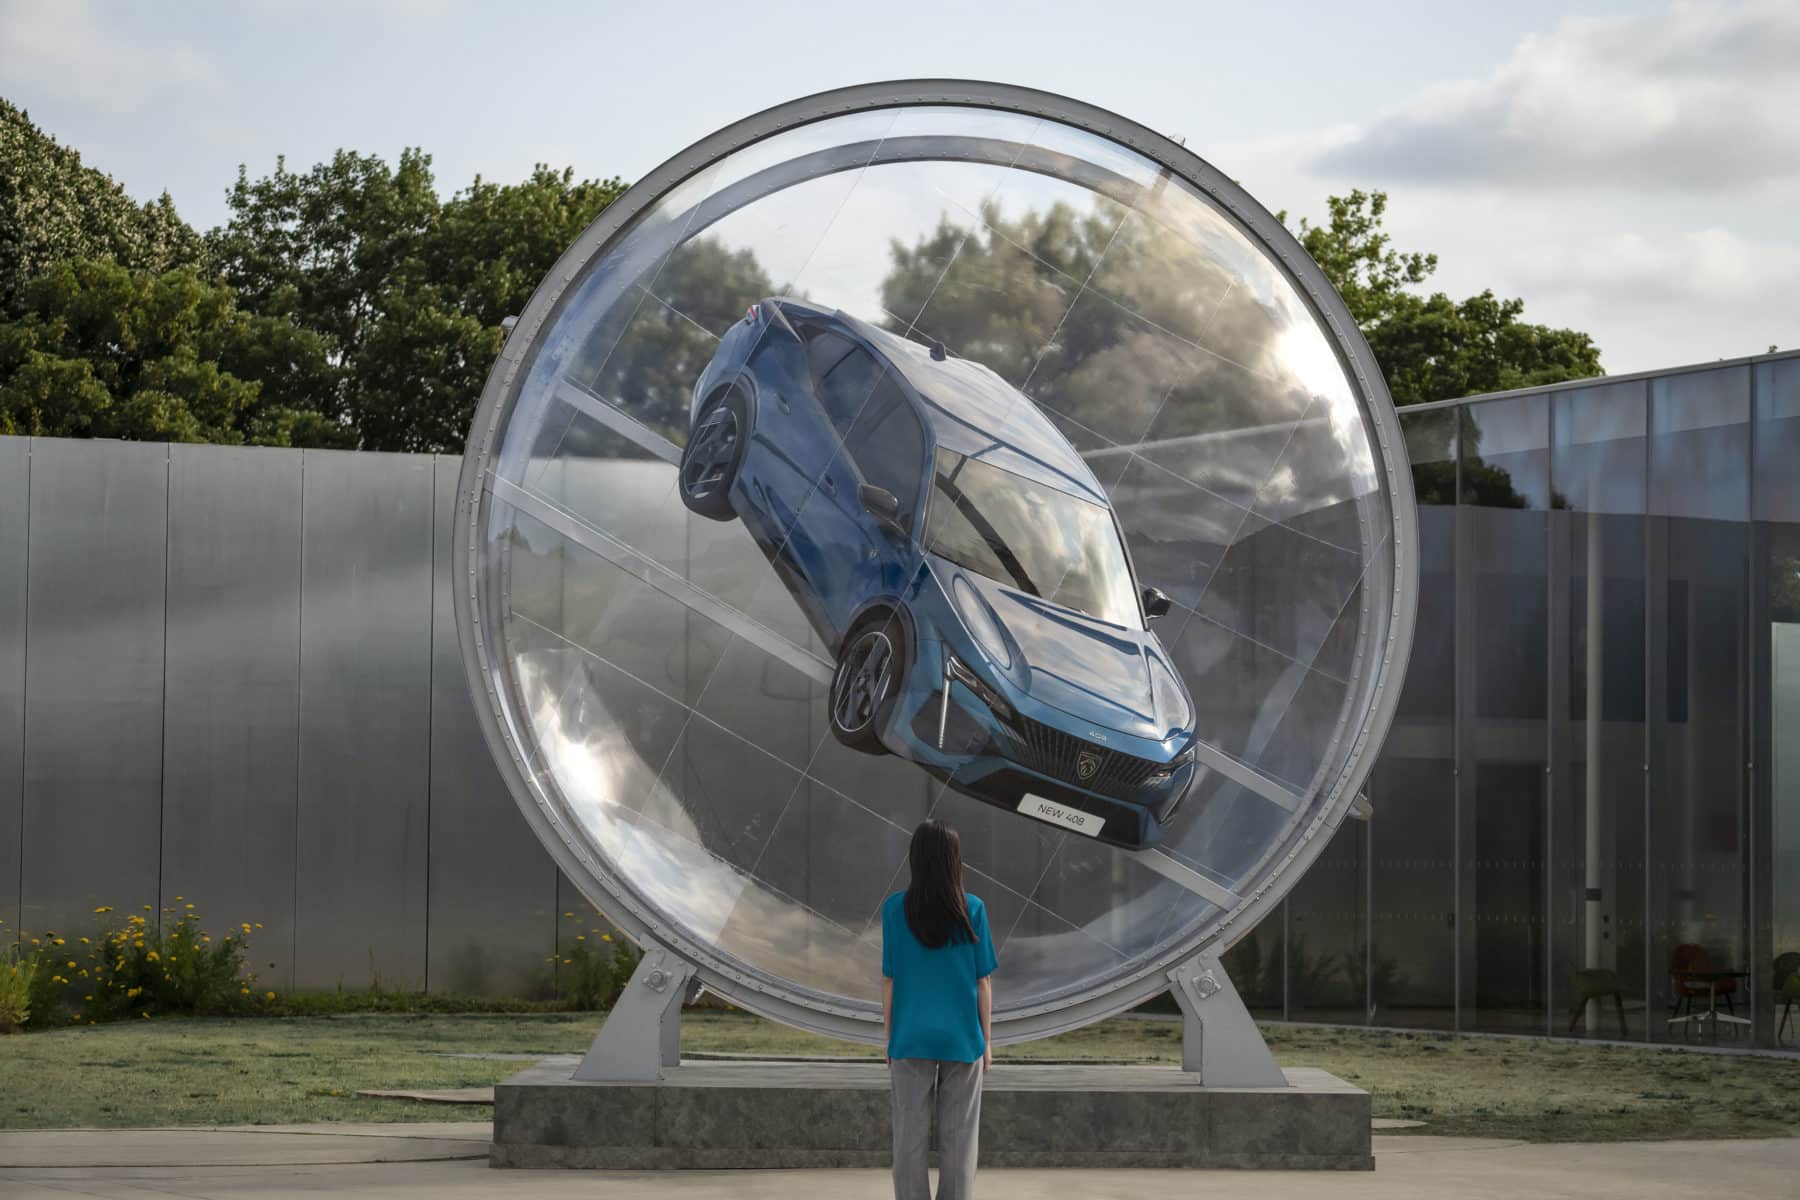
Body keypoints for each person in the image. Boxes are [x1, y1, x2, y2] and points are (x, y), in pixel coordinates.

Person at [882, 818, 998, 1200]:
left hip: (910, 1035)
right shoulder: (974, 909)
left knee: (908, 1139)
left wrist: (889, 1038)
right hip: (963, 1037)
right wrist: (988, 1043)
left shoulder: (894, 909)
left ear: (915, 858)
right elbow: (982, 982)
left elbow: (890, 981)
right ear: (954, 859)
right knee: (961, 1139)